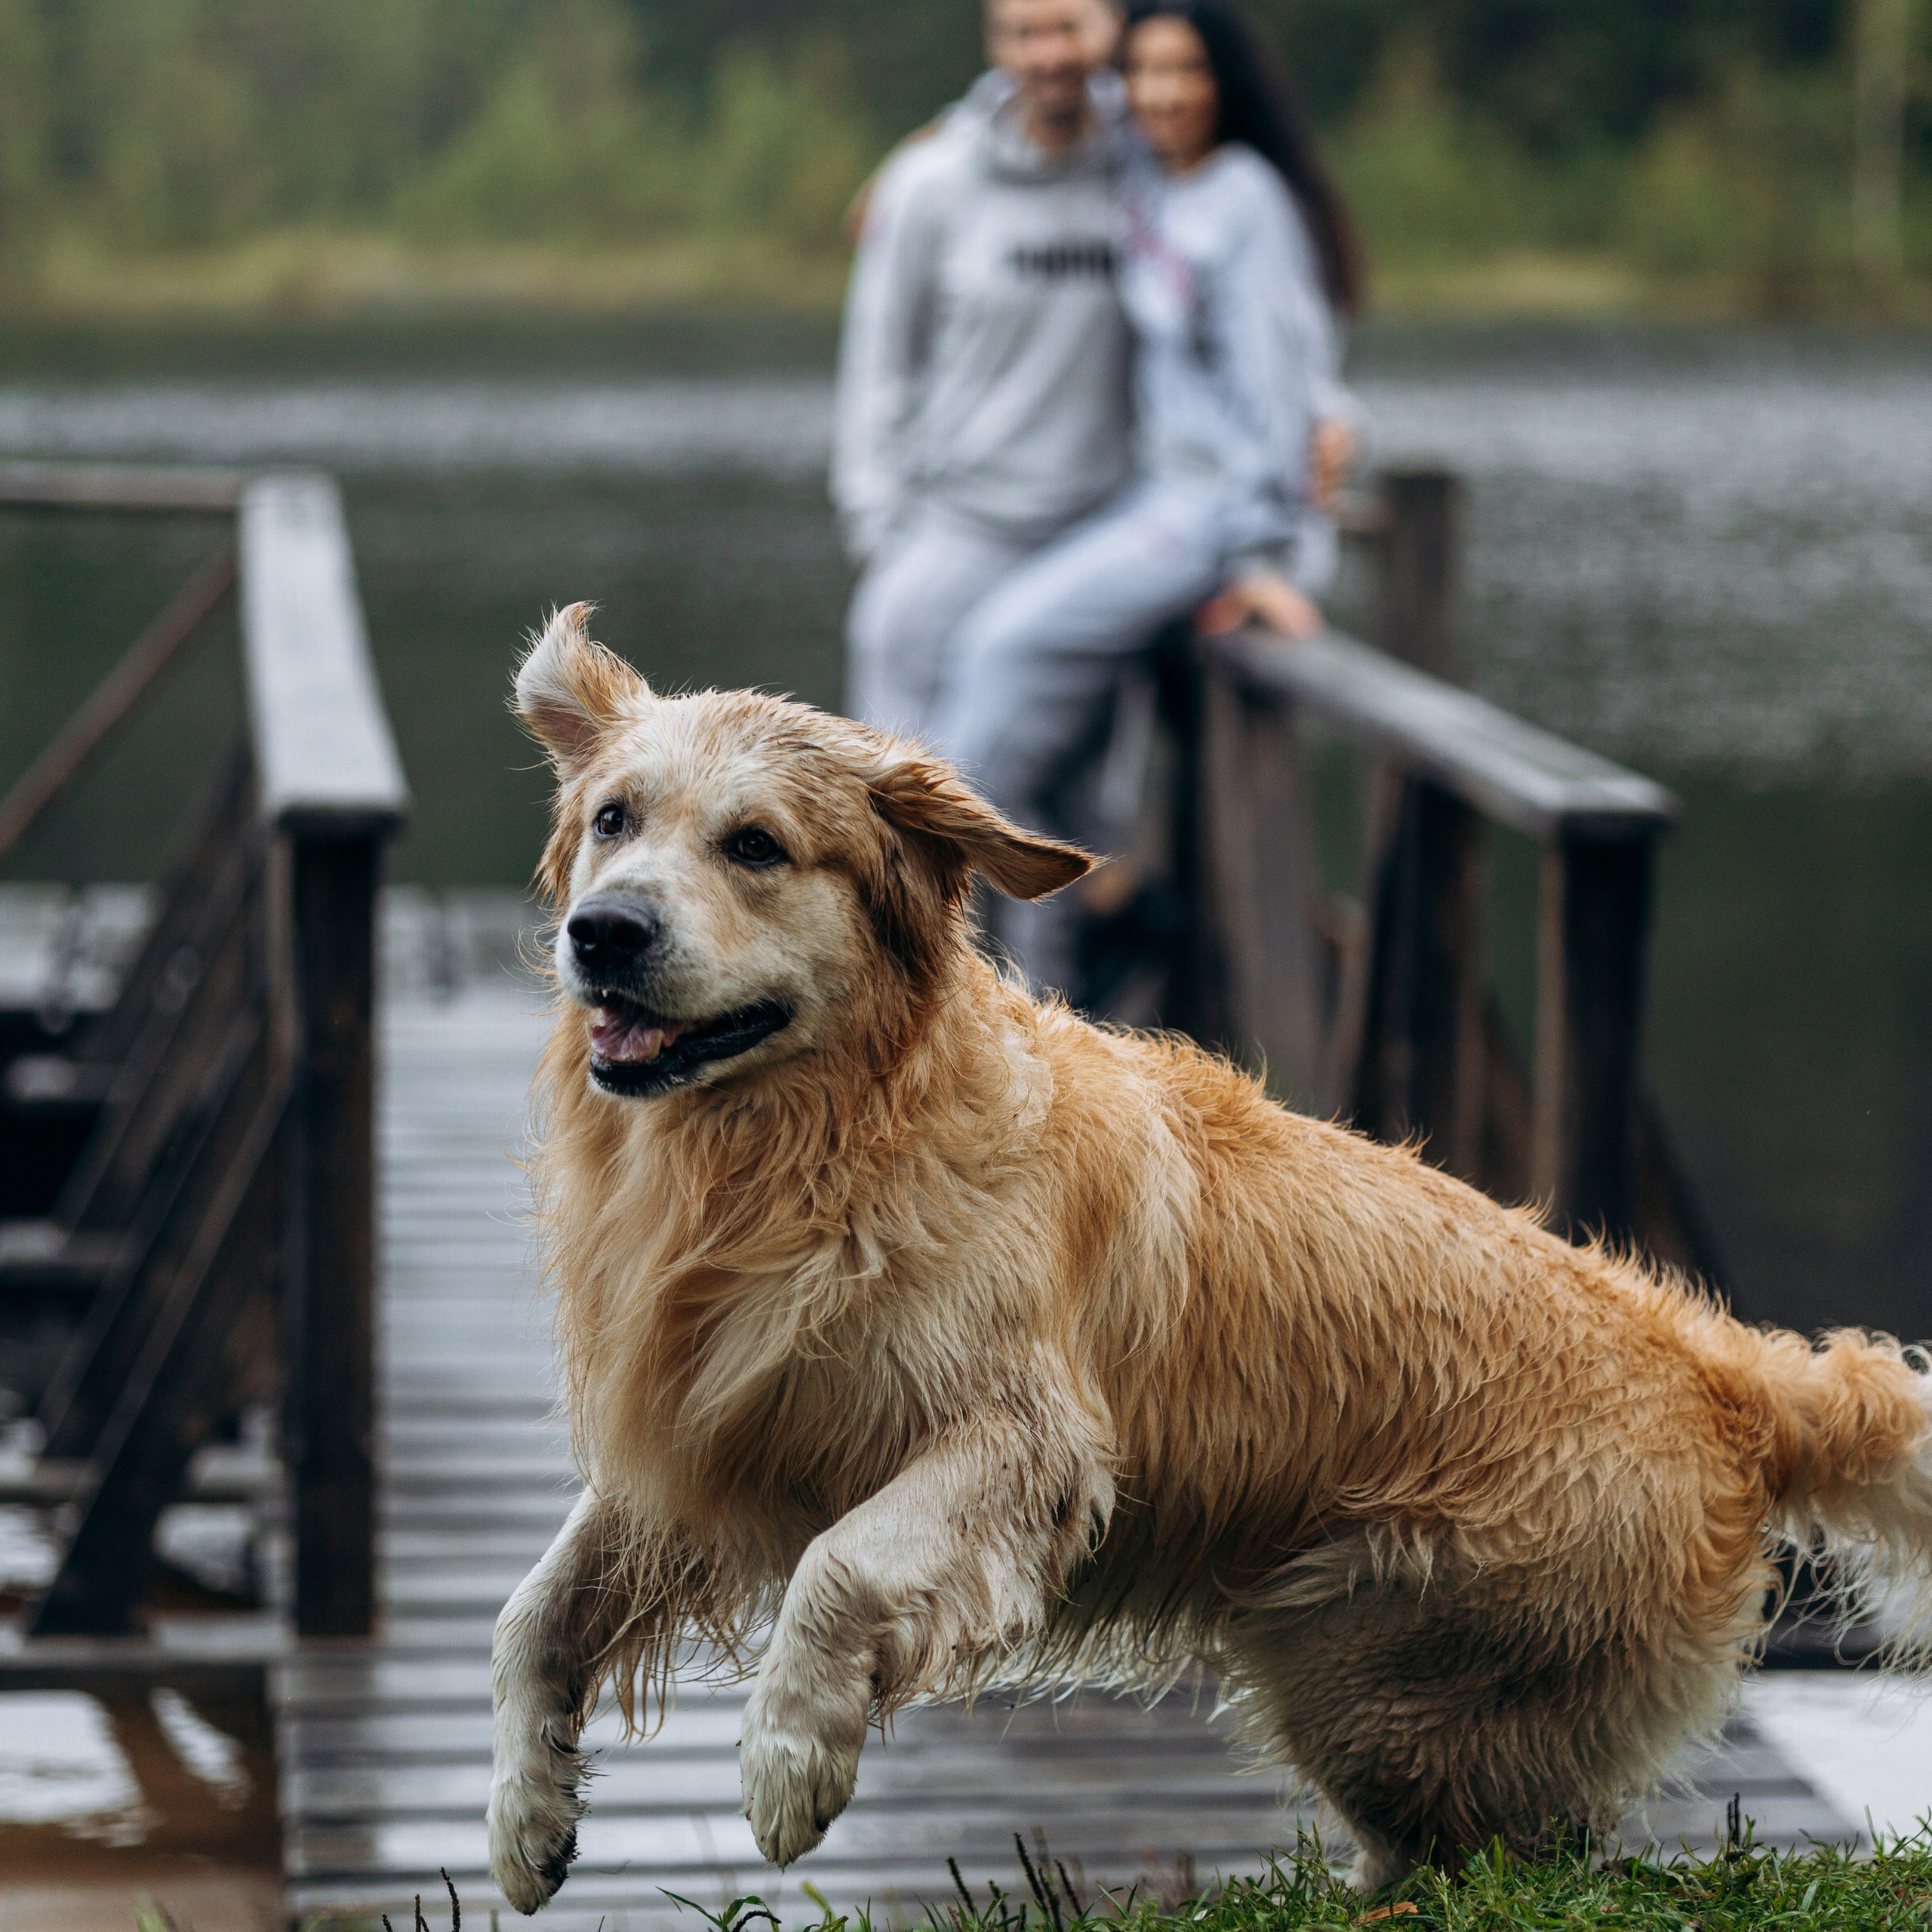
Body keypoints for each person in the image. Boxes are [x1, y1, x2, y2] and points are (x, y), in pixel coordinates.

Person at [934, 0, 1364, 994]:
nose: (1163, 93)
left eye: (1188, 72)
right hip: (1153, 499)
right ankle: (1075, 925)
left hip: (1210, 523)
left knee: (1004, 648)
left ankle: (975, 898)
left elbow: (1283, 385)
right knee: (1026, 705)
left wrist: (1271, 563)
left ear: (1229, 85)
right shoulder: (1149, 168)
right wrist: (939, 143)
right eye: (1146, 72)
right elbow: (1028, 100)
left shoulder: (1245, 201)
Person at [832, 0, 1134, 741]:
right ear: (995, 42)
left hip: (1105, 532)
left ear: (1112, 28)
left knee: (1082, 812)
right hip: (959, 526)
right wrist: (875, 526)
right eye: (1024, 33)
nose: (1047, 54)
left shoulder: (1150, 165)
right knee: (898, 787)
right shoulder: (929, 180)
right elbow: (878, 360)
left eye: (1068, 27)